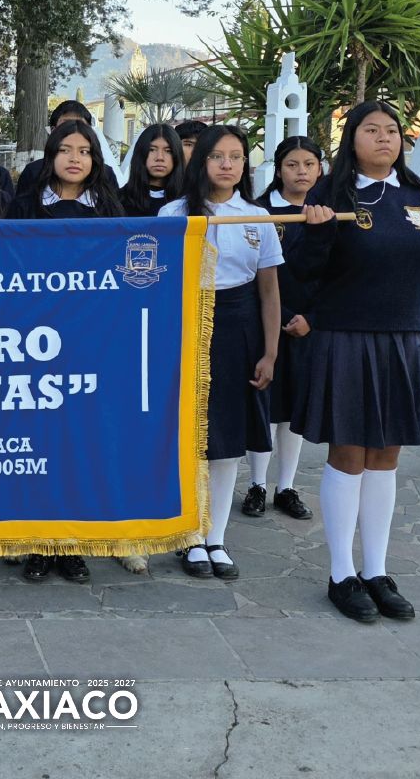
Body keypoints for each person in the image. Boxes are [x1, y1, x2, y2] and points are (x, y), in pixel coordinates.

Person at [294, 101, 420, 624]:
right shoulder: (330, 196)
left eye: (392, 130)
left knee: (386, 456)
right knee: (349, 454)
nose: (384, 138)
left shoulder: (419, 198)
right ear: (352, 139)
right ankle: (342, 574)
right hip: (347, 339)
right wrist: (317, 234)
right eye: (372, 130)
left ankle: (376, 571)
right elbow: (303, 274)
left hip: (406, 341)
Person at [159, 126, 281, 582]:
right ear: (201, 162)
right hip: (187, 324)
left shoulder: (257, 216)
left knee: (228, 438)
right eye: (217, 156)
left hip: (240, 328)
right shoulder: (173, 213)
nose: (227, 165)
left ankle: (216, 537)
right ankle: (190, 535)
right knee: (190, 433)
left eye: (236, 156)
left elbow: (269, 292)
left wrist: (270, 352)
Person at [6, 120, 122, 583]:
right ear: (50, 155)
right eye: (66, 149)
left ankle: (72, 542)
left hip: (90, 339)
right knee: (38, 441)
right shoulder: (24, 206)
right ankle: (38, 541)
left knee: (79, 441)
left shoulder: (110, 208)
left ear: (96, 160)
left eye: (85, 151)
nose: (75, 158)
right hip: (33, 340)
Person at [246, 135, 323, 520]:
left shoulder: (326, 213)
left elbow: (336, 274)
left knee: (294, 411)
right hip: (264, 322)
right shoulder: (257, 212)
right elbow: (253, 273)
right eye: (292, 165)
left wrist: (311, 317)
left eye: (309, 164)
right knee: (264, 404)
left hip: (308, 326)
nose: (301, 172)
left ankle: (285, 487)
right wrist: (281, 315)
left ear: (320, 169)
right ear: (278, 169)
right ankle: (257, 484)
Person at [15, 101, 119, 199]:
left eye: (80, 126)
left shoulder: (105, 174)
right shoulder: (33, 172)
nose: (73, 131)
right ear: (52, 131)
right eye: (65, 126)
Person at [119, 123, 185, 216]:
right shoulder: (118, 200)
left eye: (168, 151)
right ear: (141, 153)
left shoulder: (188, 202)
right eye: (152, 150)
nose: (159, 157)